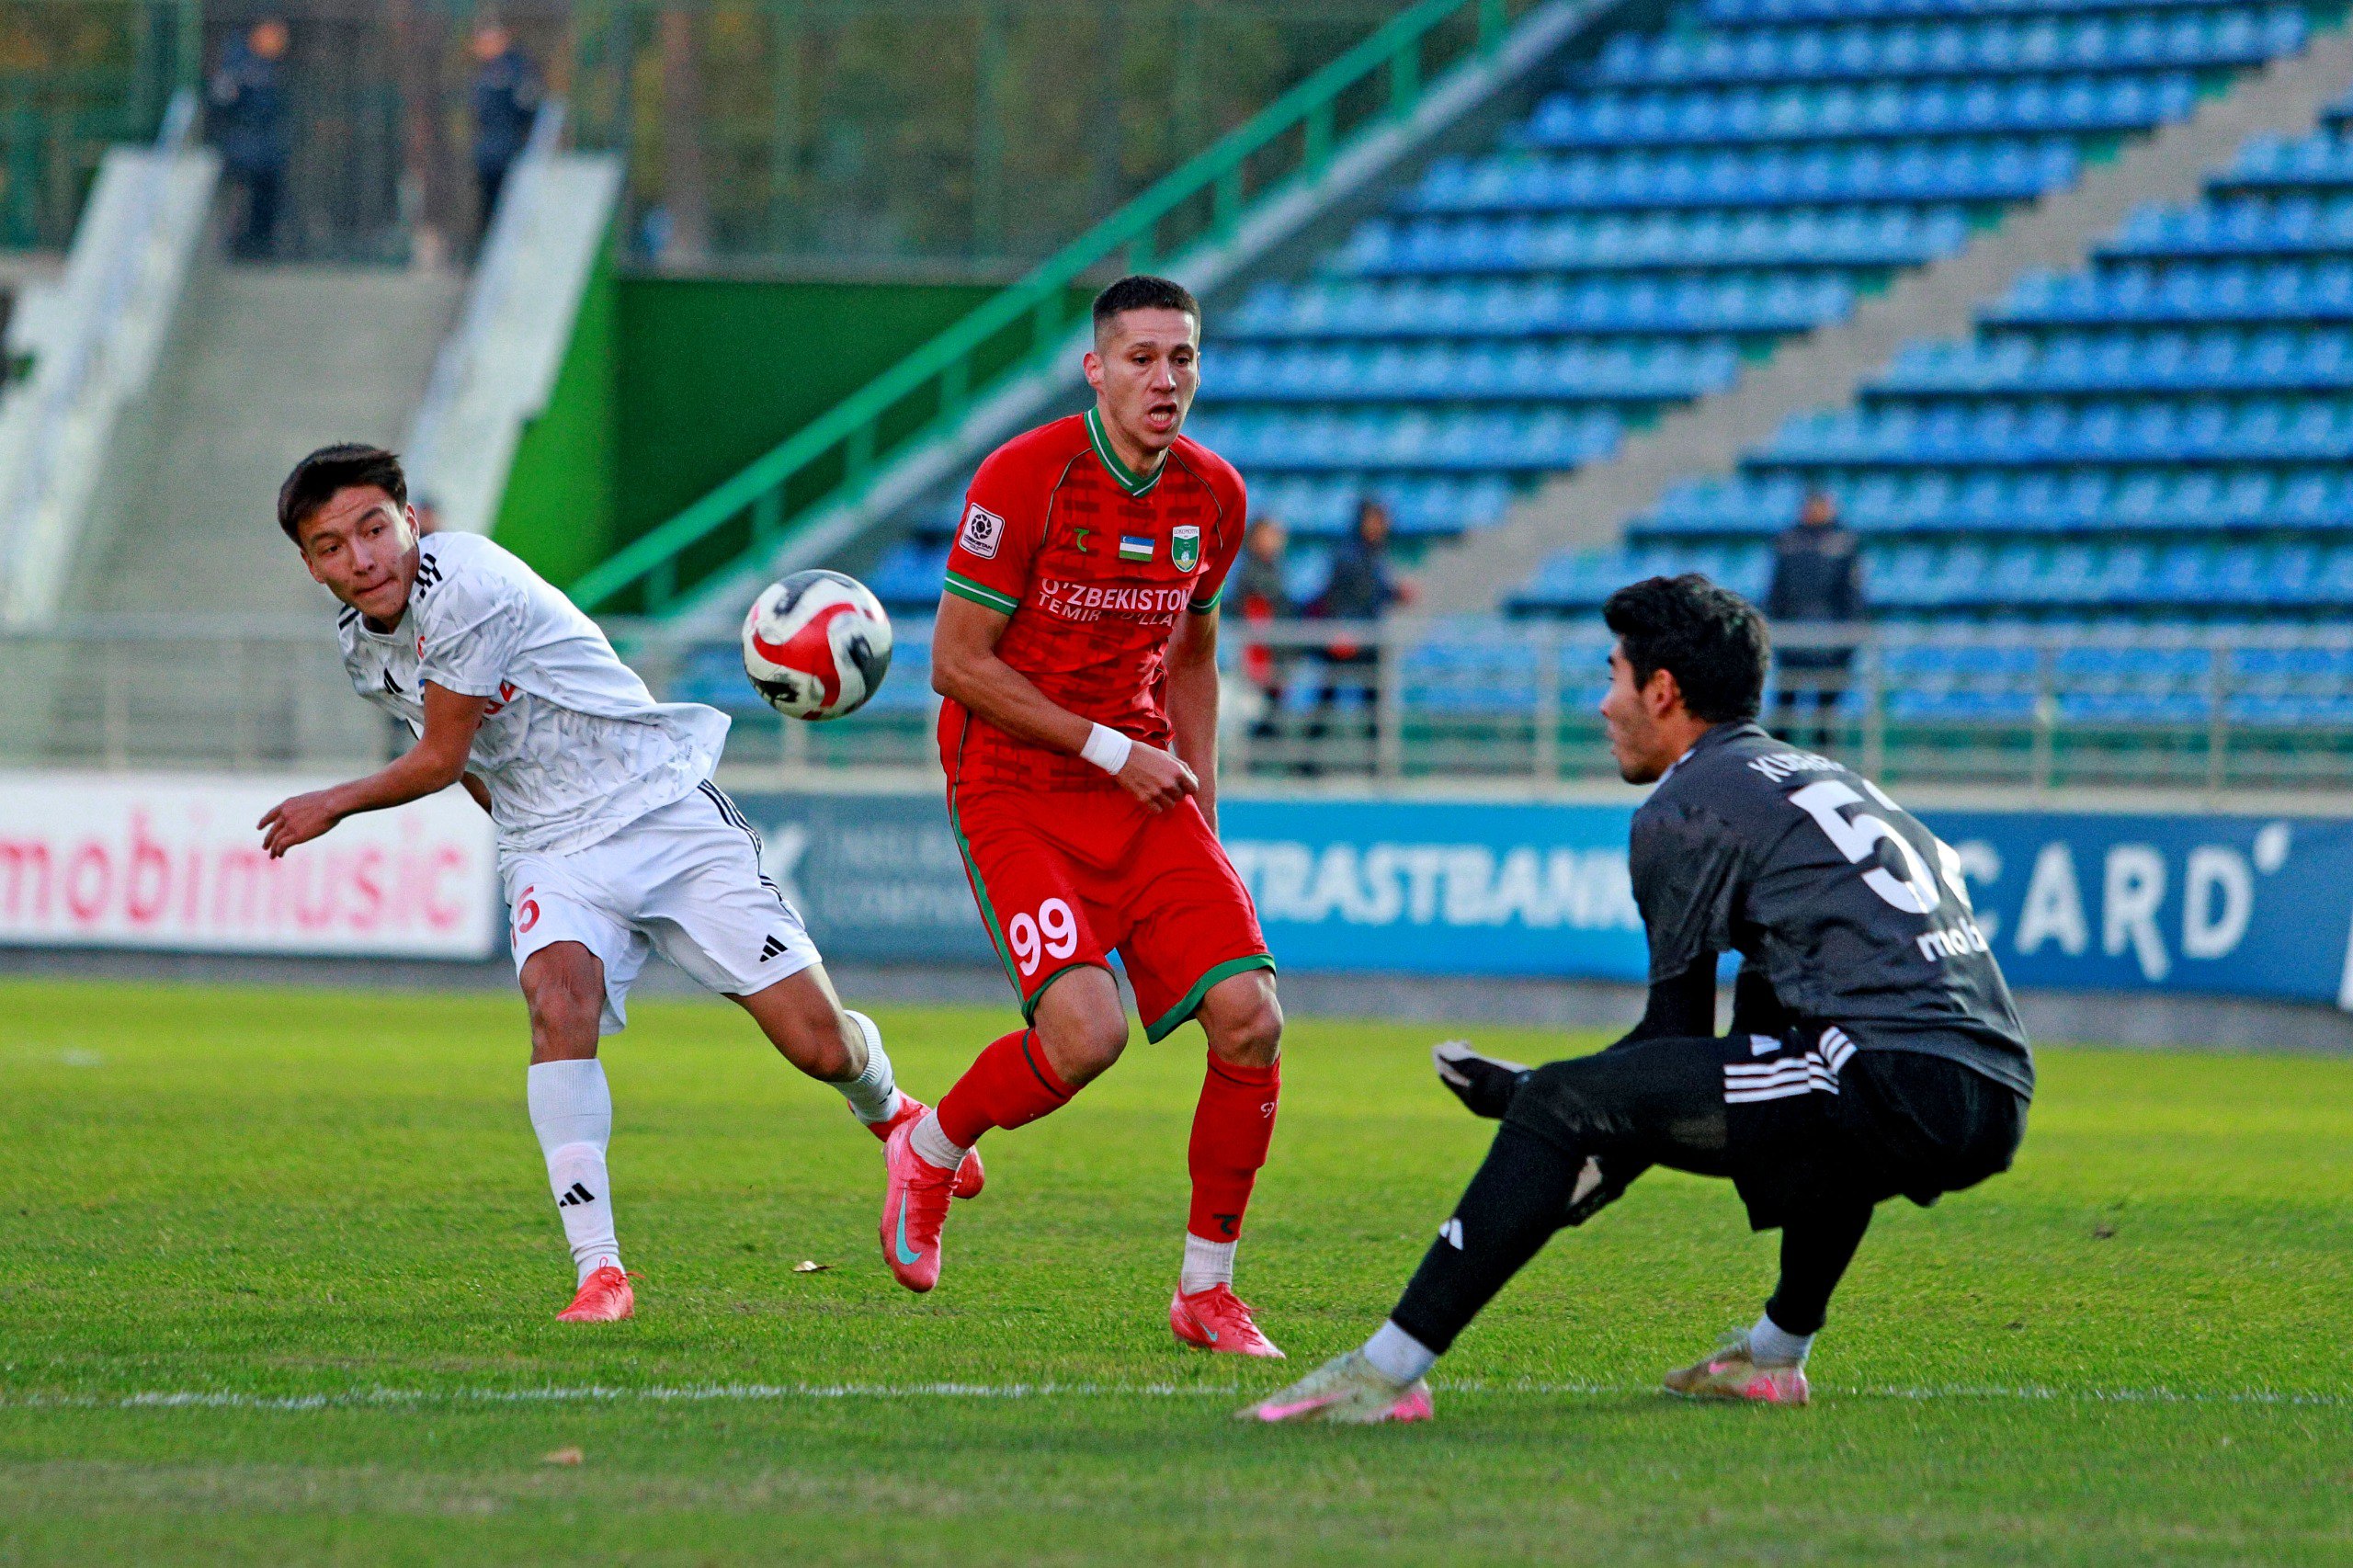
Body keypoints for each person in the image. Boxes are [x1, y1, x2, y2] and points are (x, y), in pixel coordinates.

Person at [1245, 574, 2032, 1424]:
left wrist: (1533, 1100)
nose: (1602, 703)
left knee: (1576, 1100)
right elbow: (1739, 1044)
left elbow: (1674, 1034)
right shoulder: (1800, 777)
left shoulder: (1687, 804)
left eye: (1614, 675)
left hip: (1895, 1072)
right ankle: (1771, 1357)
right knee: (1797, 1094)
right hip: (1989, 1077)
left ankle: (1383, 1373)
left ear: (1663, 692)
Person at [262, 444, 979, 1324]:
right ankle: (599, 1271)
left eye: (375, 528)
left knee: (818, 1047)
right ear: (309, 564)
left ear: (412, 522)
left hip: (658, 809)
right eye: (332, 546)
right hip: (551, 849)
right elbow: (471, 764)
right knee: (555, 1007)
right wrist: (529, 857)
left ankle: (894, 1113)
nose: (361, 558)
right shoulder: (360, 653)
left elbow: (438, 753)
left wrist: (332, 802)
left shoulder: (468, 583)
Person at [883, 274, 1290, 1358]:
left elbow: (1195, 652)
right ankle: (929, 1143)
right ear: (1095, 368)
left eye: (1184, 358)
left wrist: (1197, 793)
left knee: (1250, 1014)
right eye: (1143, 357)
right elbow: (955, 666)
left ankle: (1207, 1288)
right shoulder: (1024, 477)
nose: (1166, 379)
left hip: (1141, 786)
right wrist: (1115, 746)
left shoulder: (1213, 495)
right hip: (1013, 782)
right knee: (1085, 1034)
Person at [1306, 497, 1413, 767]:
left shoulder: (1376, 554)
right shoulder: (1348, 554)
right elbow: (1337, 596)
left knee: (1371, 702)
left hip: (1368, 640)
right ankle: (1307, 762)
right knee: (1328, 698)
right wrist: (1341, 628)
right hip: (1347, 638)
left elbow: (1373, 594)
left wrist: (1394, 594)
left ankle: (1375, 764)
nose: (1382, 526)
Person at [1765, 490, 1864, 751]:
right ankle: (1777, 766)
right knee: (1785, 708)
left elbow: (1852, 596)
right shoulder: (1788, 541)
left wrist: (1846, 643)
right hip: (1792, 641)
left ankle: (1824, 768)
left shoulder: (1844, 542)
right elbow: (1777, 592)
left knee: (1826, 713)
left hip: (1831, 642)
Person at [210, 18, 290, 259]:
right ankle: (240, 242)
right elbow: (221, 98)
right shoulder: (239, 64)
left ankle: (259, 242)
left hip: (265, 146)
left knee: (267, 194)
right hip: (243, 143)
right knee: (244, 191)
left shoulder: (271, 68)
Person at [470, 23, 541, 238]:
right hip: (491, 155)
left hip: (509, 154)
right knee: (491, 211)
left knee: (507, 211)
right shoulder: (487, 72)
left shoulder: (515, 70)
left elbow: (527, 110)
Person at [1230, 515, 1294, 749]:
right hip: (1262, 654)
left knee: (1270, 714)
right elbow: (1253, 614)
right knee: (1260, 713)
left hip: (1278, 653)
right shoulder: (1250, 572)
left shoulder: (1276, 569)